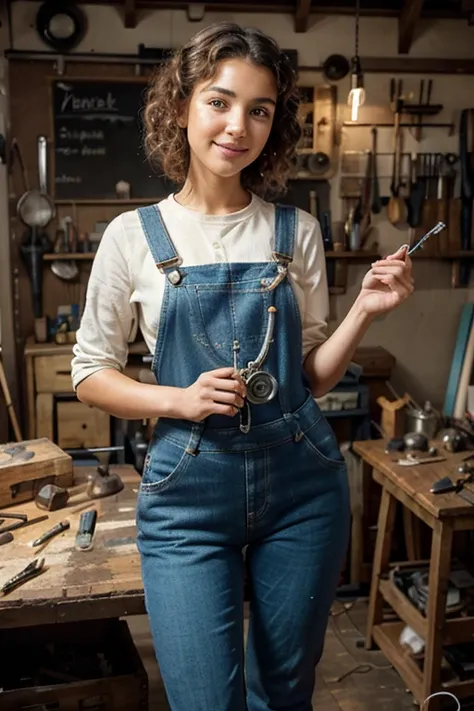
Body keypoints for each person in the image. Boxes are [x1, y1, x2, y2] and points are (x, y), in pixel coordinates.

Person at [71, 22, 414, 711]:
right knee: (203, 699)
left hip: (302, 486)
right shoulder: (133, 236)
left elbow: (308, 378)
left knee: (285, 693)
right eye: (220, 102)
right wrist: (178, 399)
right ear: (181, 108)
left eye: (259, 110)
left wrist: (364, 313)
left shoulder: (297, 231)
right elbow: (90, 373)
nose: (238, 126)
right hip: (187, 497)